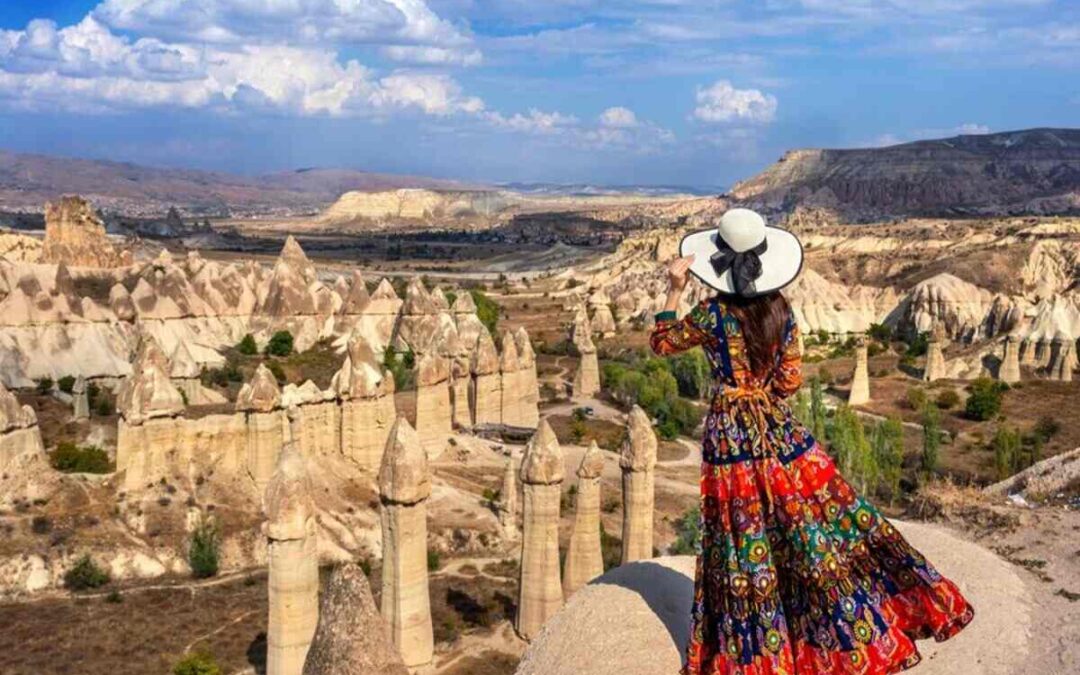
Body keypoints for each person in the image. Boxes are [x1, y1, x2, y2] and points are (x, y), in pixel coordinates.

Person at [650, 209, 973, 675]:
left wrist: (674, 290)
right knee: (813, 516)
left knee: (741, 531)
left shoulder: (713, 314)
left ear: (720, 263)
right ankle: (851, 620)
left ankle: (759, 644)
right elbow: (790, 381)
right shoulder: (783, 312)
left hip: (728, 436)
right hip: (777, 426)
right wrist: (762, 398)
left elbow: (662, 341)